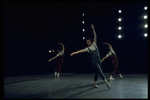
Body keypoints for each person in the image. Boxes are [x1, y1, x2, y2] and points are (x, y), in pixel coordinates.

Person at [70, 24, 111, 89]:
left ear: (91, 41)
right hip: (94, 61)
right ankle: (106, 82)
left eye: (88, 41)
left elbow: (95, 36)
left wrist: (93, 29)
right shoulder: (87, 49)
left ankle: (94, 83)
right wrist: (73, 53)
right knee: (100, 71)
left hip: (99, 60)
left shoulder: (94, 44)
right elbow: (80, 51)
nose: (88, 42)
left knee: (97, 72)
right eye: (87, 42)